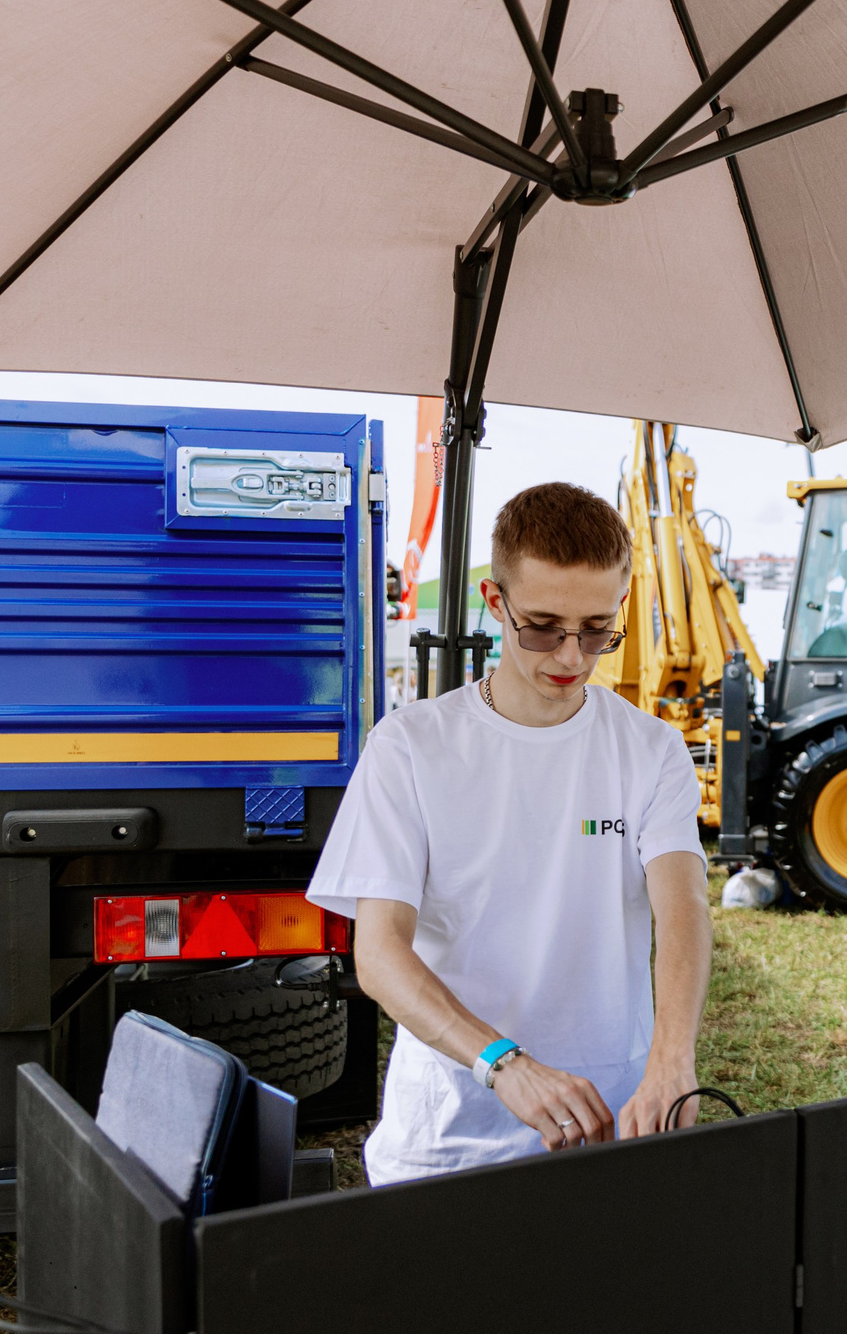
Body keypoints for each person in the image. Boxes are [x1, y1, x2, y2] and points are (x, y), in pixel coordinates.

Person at [306, 482, 713, 1182]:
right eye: (544, 626)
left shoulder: (650, 750)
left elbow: (684, 910)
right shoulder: (411, 746)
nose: (570, 656)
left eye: (596, 629)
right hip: (448, 1141)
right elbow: (377, 953)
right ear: (495, 603)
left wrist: (672, 1058)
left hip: (609, 1128)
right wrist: (504, 1063)